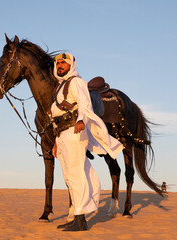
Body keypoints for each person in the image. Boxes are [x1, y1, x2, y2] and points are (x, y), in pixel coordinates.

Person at [51, 53, 123, 231]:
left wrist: (81, 120)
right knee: (69, 176)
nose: (60, 65)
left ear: (71, 65)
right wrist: (55, 142)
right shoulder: (60, 86)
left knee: (75, 175)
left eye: (64, 63)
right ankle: (76, 215)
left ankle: (80, 219)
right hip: (62, 134)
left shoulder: (75, 82)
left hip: (74, 131)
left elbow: (84, 103)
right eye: (58, 63)